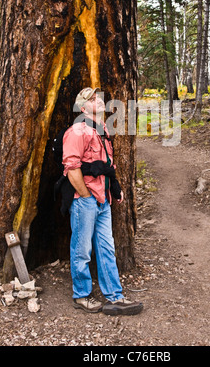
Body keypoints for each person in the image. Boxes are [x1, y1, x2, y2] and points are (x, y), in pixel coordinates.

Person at [62, 87, 143, 316]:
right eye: (92, 98)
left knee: (107, 248)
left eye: (99, 97)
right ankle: (81, 295)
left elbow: (106, 165)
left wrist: (114, 188)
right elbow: (71, 168)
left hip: (103, 200)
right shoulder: (77, 131)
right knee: (82, 249)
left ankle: (115, 297)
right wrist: (86, 196)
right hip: (85, 200)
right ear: (83, 107)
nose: (98, 100)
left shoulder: (102, 129)